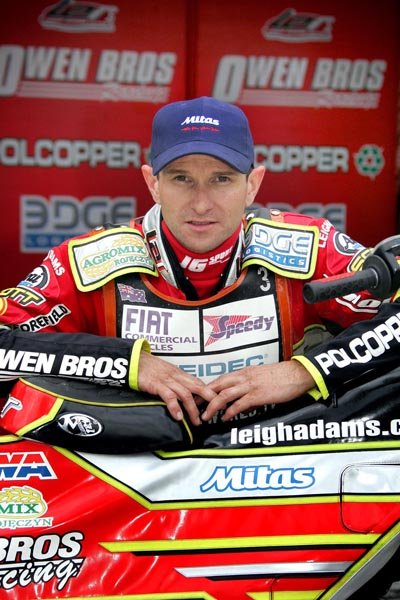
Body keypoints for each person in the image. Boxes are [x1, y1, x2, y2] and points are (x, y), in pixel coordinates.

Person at [0, 96, 399, 431]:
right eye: (181, 178)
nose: (202, 203)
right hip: (132, 474)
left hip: (275, 470)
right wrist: (125, 364)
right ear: (153, 183)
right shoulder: (88, 263)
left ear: (253, 184)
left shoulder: (309, 247)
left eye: (222, 179)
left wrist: (305, 371)